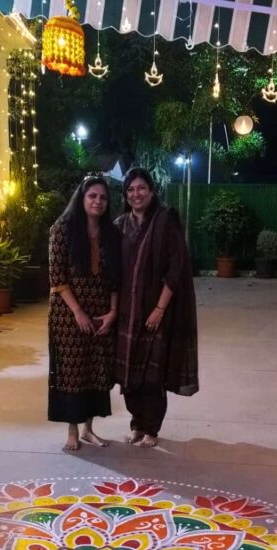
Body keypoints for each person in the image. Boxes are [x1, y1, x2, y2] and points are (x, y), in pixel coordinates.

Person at [115, 167, 198, 447]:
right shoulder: (120, 225)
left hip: (155, 311)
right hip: (127, 312)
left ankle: (152, 429)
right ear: (126, 194)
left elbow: (176, 269)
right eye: (130, 190)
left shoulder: (165, 220)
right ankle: (137, 424)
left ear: (151, 191)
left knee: (152, 374)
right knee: (128, 374)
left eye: (141, 188)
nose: (136, 194)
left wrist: (160, 309)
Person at [48, 175, 121, 451]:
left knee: (96, 371)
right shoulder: (63, 229)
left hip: (101, 311)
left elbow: (116, 278)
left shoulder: (110, 233)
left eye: (103, 197)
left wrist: (113, 311)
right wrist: (77, 312)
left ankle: (90, 429)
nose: (98, 201)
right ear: (82, 197)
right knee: (72, 370)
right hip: (68, 314)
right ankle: (72, 431)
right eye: (92, 196)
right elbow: (57, 277)